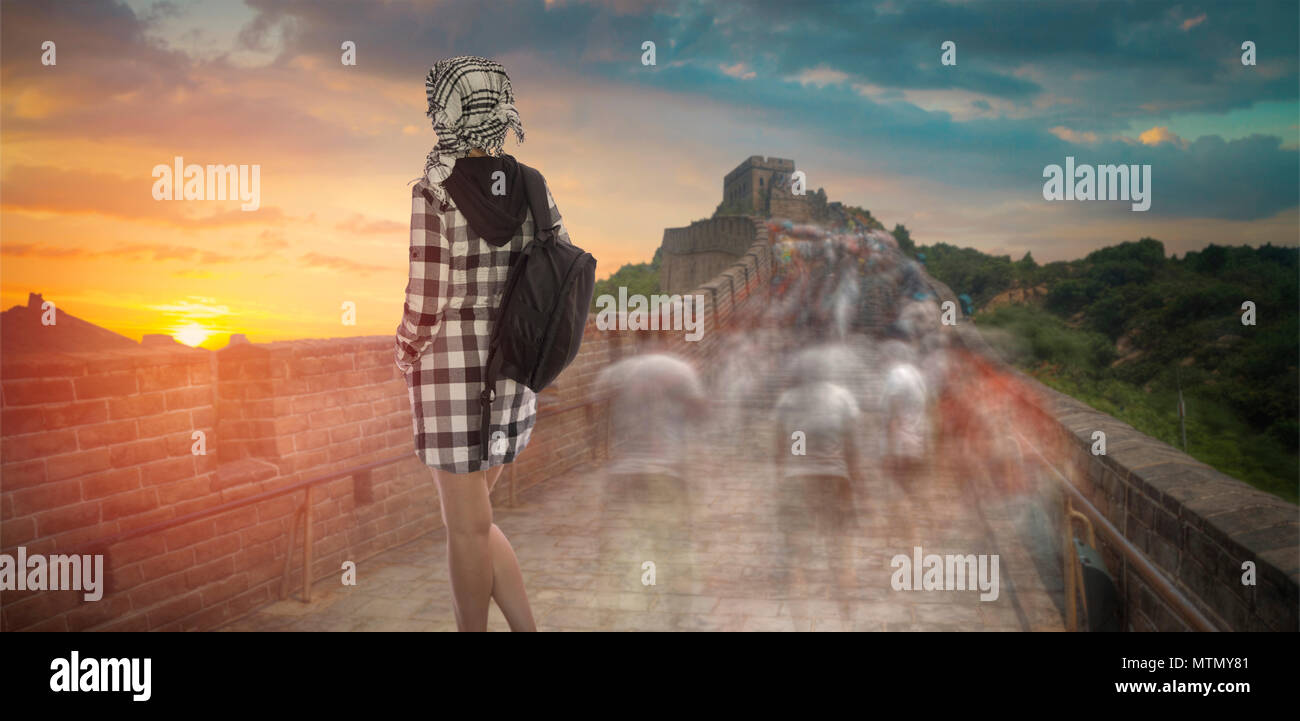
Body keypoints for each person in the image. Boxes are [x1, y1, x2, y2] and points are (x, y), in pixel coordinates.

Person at [394, 56, 563, 632]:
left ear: (447, 111)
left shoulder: (433, 190)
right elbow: (556, 275)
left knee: (465, 527)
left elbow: (426, 299)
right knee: (478, 520)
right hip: (514, 374)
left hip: (451, 379)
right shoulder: (534, 186)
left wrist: (404, 353)